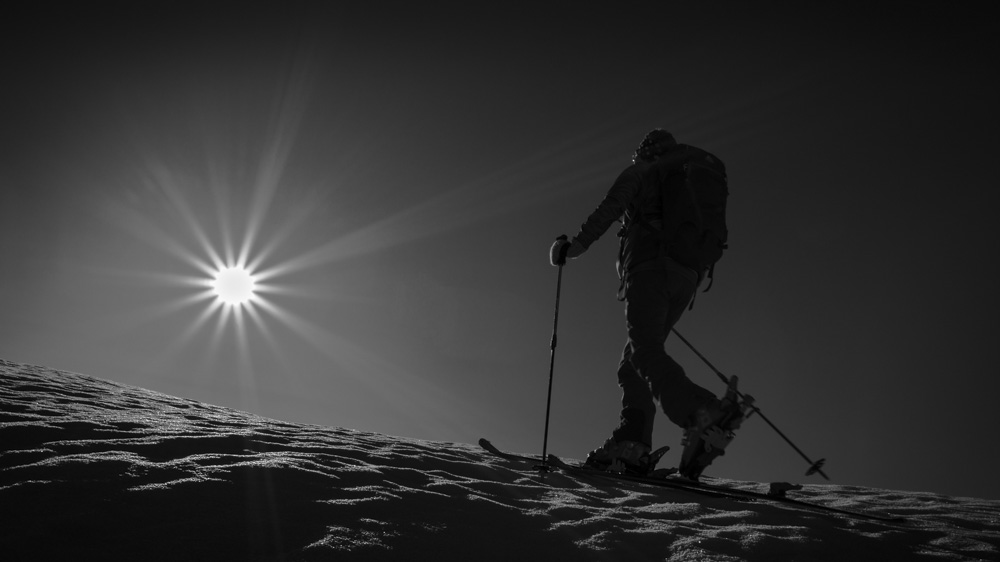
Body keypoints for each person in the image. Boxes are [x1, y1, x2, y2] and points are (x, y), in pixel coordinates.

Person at [550, 128, 743, 478]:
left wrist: (573, 247)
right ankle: (632, 443)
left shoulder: (642, 171)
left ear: (644, 150)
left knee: (643, 352)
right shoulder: (686, 178)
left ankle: (701, 413)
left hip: (652, 268)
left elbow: (610, 208)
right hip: (687, 276)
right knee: (634, 361)